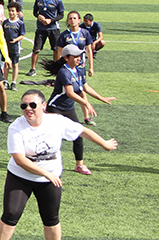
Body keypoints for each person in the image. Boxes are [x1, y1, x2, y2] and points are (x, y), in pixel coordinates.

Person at [0, 89, 118, 240]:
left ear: (43, 105)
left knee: (51, 217)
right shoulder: (16, 127)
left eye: (32, 105)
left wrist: (104, 144)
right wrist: (45, 173)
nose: (28, 109)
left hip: (50, 179)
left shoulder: (56, 121)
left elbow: (83, 131)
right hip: (21, 177)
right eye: (24, 105)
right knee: (10, 214)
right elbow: (19, 159)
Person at [41, 44, 116, 175]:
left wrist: (101, 98)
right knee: (50, 136)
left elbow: (85, 88)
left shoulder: (80, 70)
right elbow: (70, 93)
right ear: (66, 58)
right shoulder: (64, 72)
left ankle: (79, 165)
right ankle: (40, 161)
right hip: (55, 108)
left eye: (79, 56)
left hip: (68, 108)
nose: (78, 58)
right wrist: (86, 103)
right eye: (75, 56)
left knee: (78, 135)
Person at [27, 0, 64, 76]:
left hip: (53, 28)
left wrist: (51, 20)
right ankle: (33, 69)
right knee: (36, 49)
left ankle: (55, 69)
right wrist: (38, 16)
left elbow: (61, 15)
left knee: (55, 49)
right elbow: (35, 12)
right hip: (41, 28)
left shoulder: (58, 1)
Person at [2, 3, 26, 91]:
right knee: (6, 64)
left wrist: (16, 40)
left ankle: (14, 82)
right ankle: (5, 81)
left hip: (15, 47)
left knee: (15, 64)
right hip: (6, 47)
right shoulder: (5, 22)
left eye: (13, 11)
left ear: (17, 12)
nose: (11, 13)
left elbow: (22, 35)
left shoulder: (20, 23)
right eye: (10, 11)